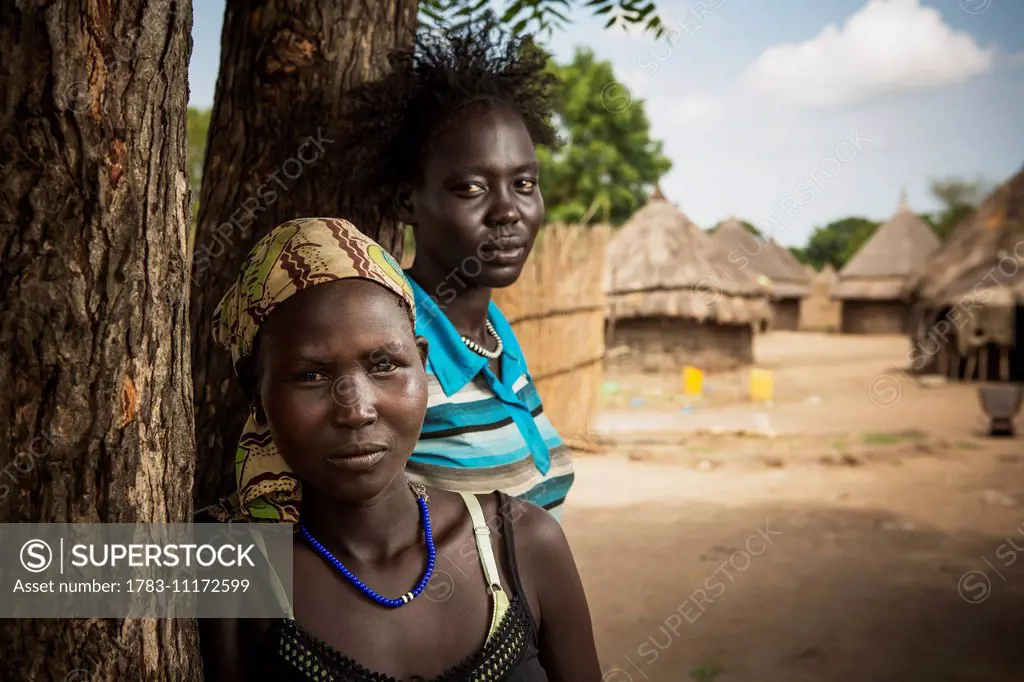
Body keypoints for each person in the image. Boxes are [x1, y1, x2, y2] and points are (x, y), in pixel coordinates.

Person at [197, 217, 600, 681]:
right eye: (311, 375)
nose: (356, 410)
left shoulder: (525, 543)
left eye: (385, 365)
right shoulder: (225, 560)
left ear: (422, 365)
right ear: (256, 392)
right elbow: (93, 582)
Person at [330, 18, 575, 520]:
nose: (509, 211)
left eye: (525, 184)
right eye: (471, 188)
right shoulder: (386, 349)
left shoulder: (495, 335)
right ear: (407, 200)